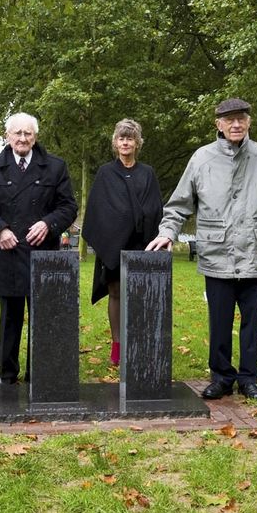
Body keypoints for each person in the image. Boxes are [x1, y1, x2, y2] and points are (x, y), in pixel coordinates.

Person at [146, 99, 257, 400]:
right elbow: (179, 204)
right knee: (219, 319)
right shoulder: (201, 159)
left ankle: (249, 378)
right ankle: (221, 376)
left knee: (251, 320)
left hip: (253, 250)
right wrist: (167, 233)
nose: (235, 125)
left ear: (249, 122)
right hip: (216, 252)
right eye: (229, 120)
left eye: (241, 119)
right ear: (218, 125)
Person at [0, 113, 78, 384]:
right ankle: (7, 376)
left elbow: (68, 207)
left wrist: (48, 223)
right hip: (7, 254)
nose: (22, 138)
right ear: (7, 136)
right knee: (10, 318)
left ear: (35, 137)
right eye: (17, 133)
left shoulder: (55, 167)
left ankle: (39, 374)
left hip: (44, 256)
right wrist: (0, 230)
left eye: (27, 134)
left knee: (44, 318)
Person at [82, 119, 163, 366]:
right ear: (115, 143)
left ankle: (138, 342)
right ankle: (117, 344)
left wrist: (137, 220)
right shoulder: (107, 172)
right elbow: (99, 209)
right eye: (121, 138)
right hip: (113, 243)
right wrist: (119, 224)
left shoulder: (147, 172)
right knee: (115, 292)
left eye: (130, 138)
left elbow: (154, 206)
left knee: (139, 293)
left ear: (137, 143)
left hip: (141, 243)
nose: (125, 142)